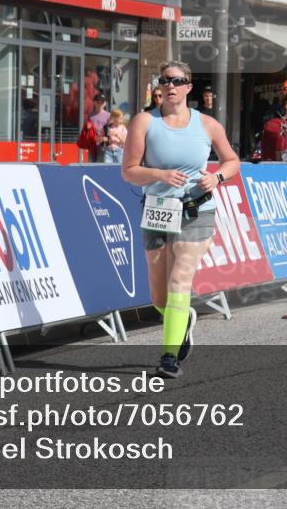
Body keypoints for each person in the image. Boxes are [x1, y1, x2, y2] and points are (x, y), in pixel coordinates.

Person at [122, 61, 240, 379]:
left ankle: (169, 357)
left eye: (178, 81)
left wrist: (217, 179)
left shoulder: (208, 125)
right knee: (159, 296)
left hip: (196, 208)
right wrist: (158, 173)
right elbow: (129, 170)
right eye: (165, 80)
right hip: (157, 208)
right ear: (159, 87)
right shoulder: (144, 122)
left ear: (189, 87)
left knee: (180, 279)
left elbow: (231, 160)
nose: (171, 85)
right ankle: (182, 319)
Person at [88, 93, 111, 162]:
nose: (100, 104)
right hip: (92, 144)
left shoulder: (108, 115)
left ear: (105, 103)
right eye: (98, 102)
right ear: (94, 102)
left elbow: (111, 130)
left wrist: (107, 138)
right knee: (91, 164)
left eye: (102, 102)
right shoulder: (91, 115)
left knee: (102, 164)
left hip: (103, 145)